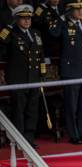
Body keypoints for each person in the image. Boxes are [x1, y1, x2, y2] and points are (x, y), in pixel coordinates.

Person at [49, 1, 82, 145]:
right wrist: (62, 18)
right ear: (70, 11)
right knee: (71, 105)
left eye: (81, 9)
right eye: (76, 10)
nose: (80, 12)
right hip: (71, 71)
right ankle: (74, 134)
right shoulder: (64, 25)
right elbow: (54, 33)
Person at [0, 4, 44, 148]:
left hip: (33, 78)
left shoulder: (36, 33)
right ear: (17, 20)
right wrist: (9, 26)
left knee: (32, 109)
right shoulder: (12, 34)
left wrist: (42, 73)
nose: (27, 21)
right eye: (23, 18)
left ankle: (29, 138)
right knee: (18, 110)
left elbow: (40, 55)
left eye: (29, 18)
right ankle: (19, 140)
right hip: (18, 78)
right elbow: (1, 41)